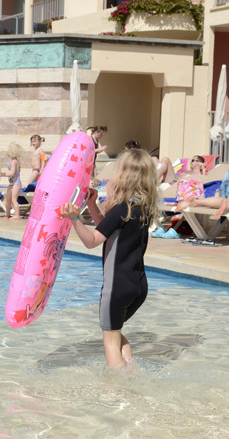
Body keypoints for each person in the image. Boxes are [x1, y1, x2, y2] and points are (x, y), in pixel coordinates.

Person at [59, 148, 159, 370]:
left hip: (116, 288)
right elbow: (110, 228)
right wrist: (92, 205)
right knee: (116, 332)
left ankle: (117, 390)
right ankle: (133, 372)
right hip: (138, 287)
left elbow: (92, 240)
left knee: (110, 343)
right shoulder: (142, 208)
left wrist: (74, 218)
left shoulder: (121, 209)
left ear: (123, 176)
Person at [3, 142, 23, 221]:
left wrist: (3, 174)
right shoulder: (12, 161)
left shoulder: (14, 161)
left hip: (16, 184)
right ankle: (8, 214)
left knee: (13, 199)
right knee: (8, 199)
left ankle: (17, 215)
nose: (7, 151)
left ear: (12, 152)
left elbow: (12, 173)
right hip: (11, 184)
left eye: (9, 150)